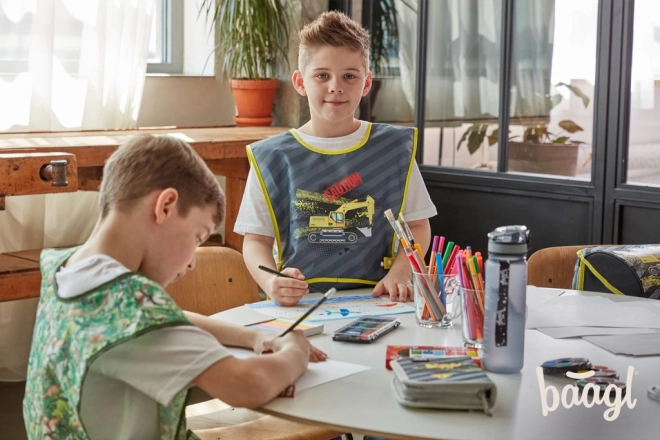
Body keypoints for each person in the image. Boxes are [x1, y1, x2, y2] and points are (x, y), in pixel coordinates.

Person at [22, 134, 326, 440]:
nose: (192, 262)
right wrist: (294, 350)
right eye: (197, 237)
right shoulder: (132, 308)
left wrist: (256, 336)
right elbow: (248, 385)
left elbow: (160, 318)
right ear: (165, 205)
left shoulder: (67, 268)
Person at [235, 11, 437, 306]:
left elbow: (418, 226)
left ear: (366, 83)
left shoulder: (393, 149)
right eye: (322, 75)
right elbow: (255, 241)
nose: (335, 87)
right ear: (300, 82)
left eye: (349, 76)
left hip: (380, 299)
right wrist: (271, 280)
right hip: (300, 305)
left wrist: (401, 273)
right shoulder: (272, 157)